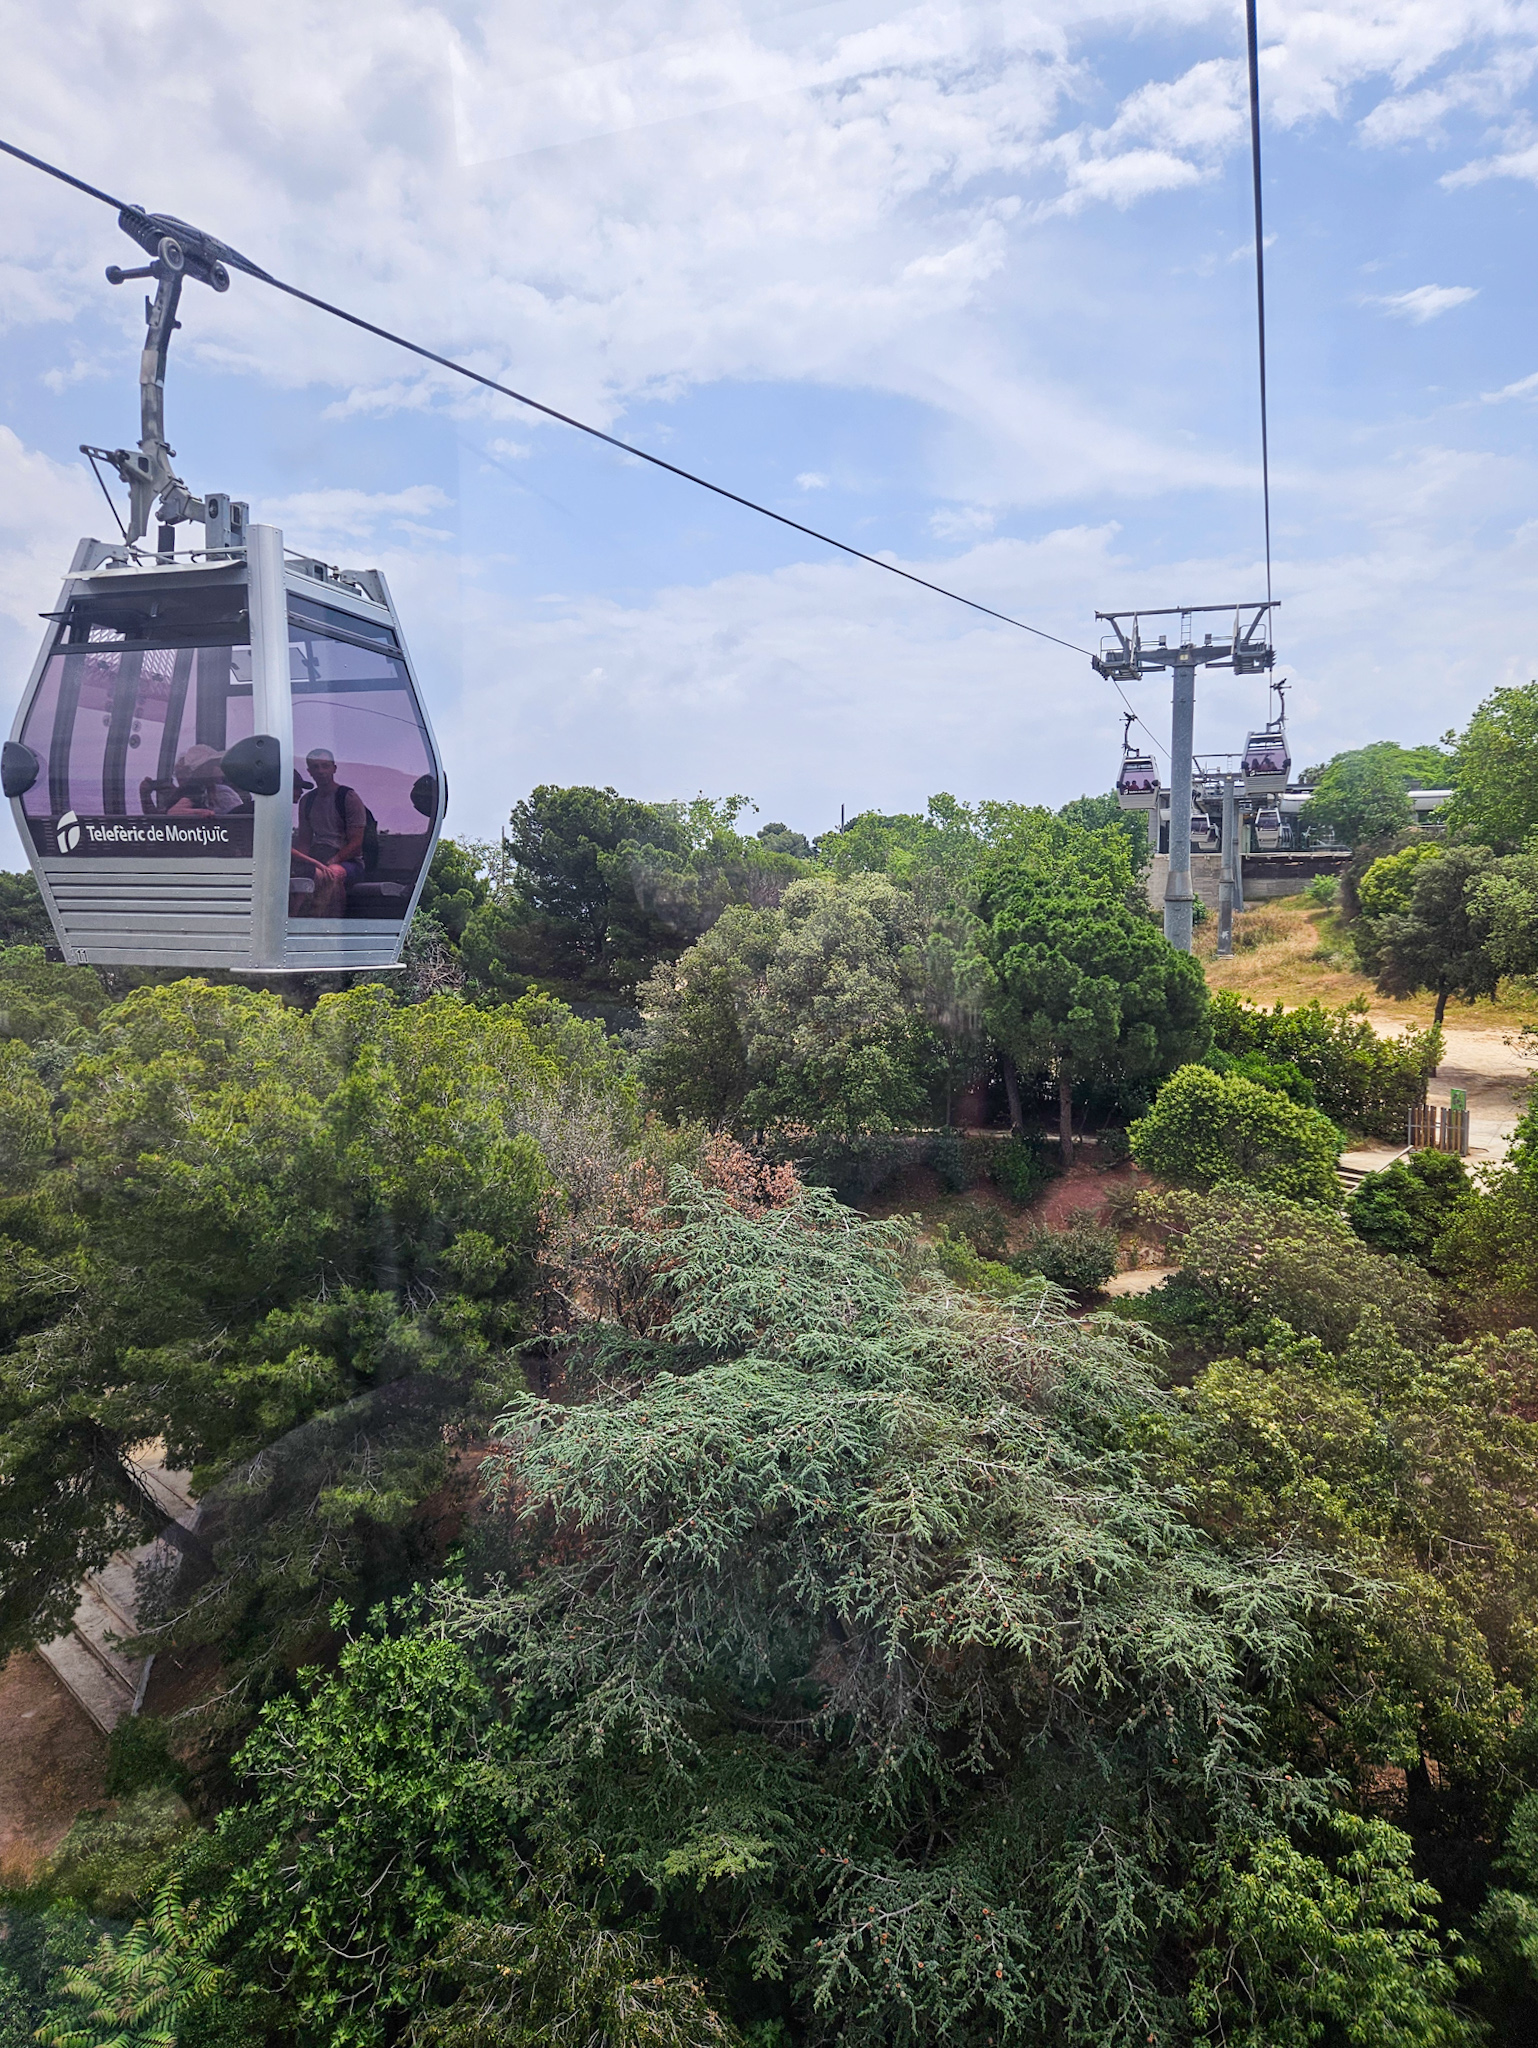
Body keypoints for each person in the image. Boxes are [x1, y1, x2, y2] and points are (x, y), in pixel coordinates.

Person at [290, 747, 366, 917]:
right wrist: (302, 864)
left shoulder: (348, 797)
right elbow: (304, 841)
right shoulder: (307, 801)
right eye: (315, 767)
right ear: (309, 772)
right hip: (318, 856)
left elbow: (356, 843)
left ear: (334, 768)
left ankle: (330, 925)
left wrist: (333, 860)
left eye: (325, 766)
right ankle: (294, 920)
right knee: (301, 875)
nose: (321, 771)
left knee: (332, 874)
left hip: (348, 861)